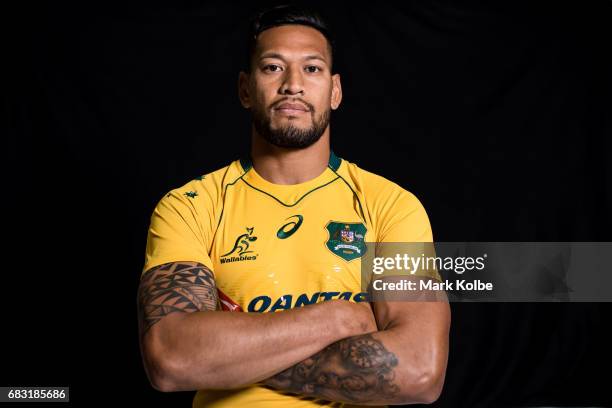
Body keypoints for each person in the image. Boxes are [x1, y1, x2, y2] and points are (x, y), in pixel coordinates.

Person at [137, 4, 450, 407]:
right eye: (272, 67)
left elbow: (419, 370)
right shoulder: (190, 206)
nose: (293, 85)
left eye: (312, 69)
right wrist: (337, 318)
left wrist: (230, 356)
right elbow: (171, 358)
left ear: (335, 91)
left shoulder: (390, 206)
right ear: (245, 89)